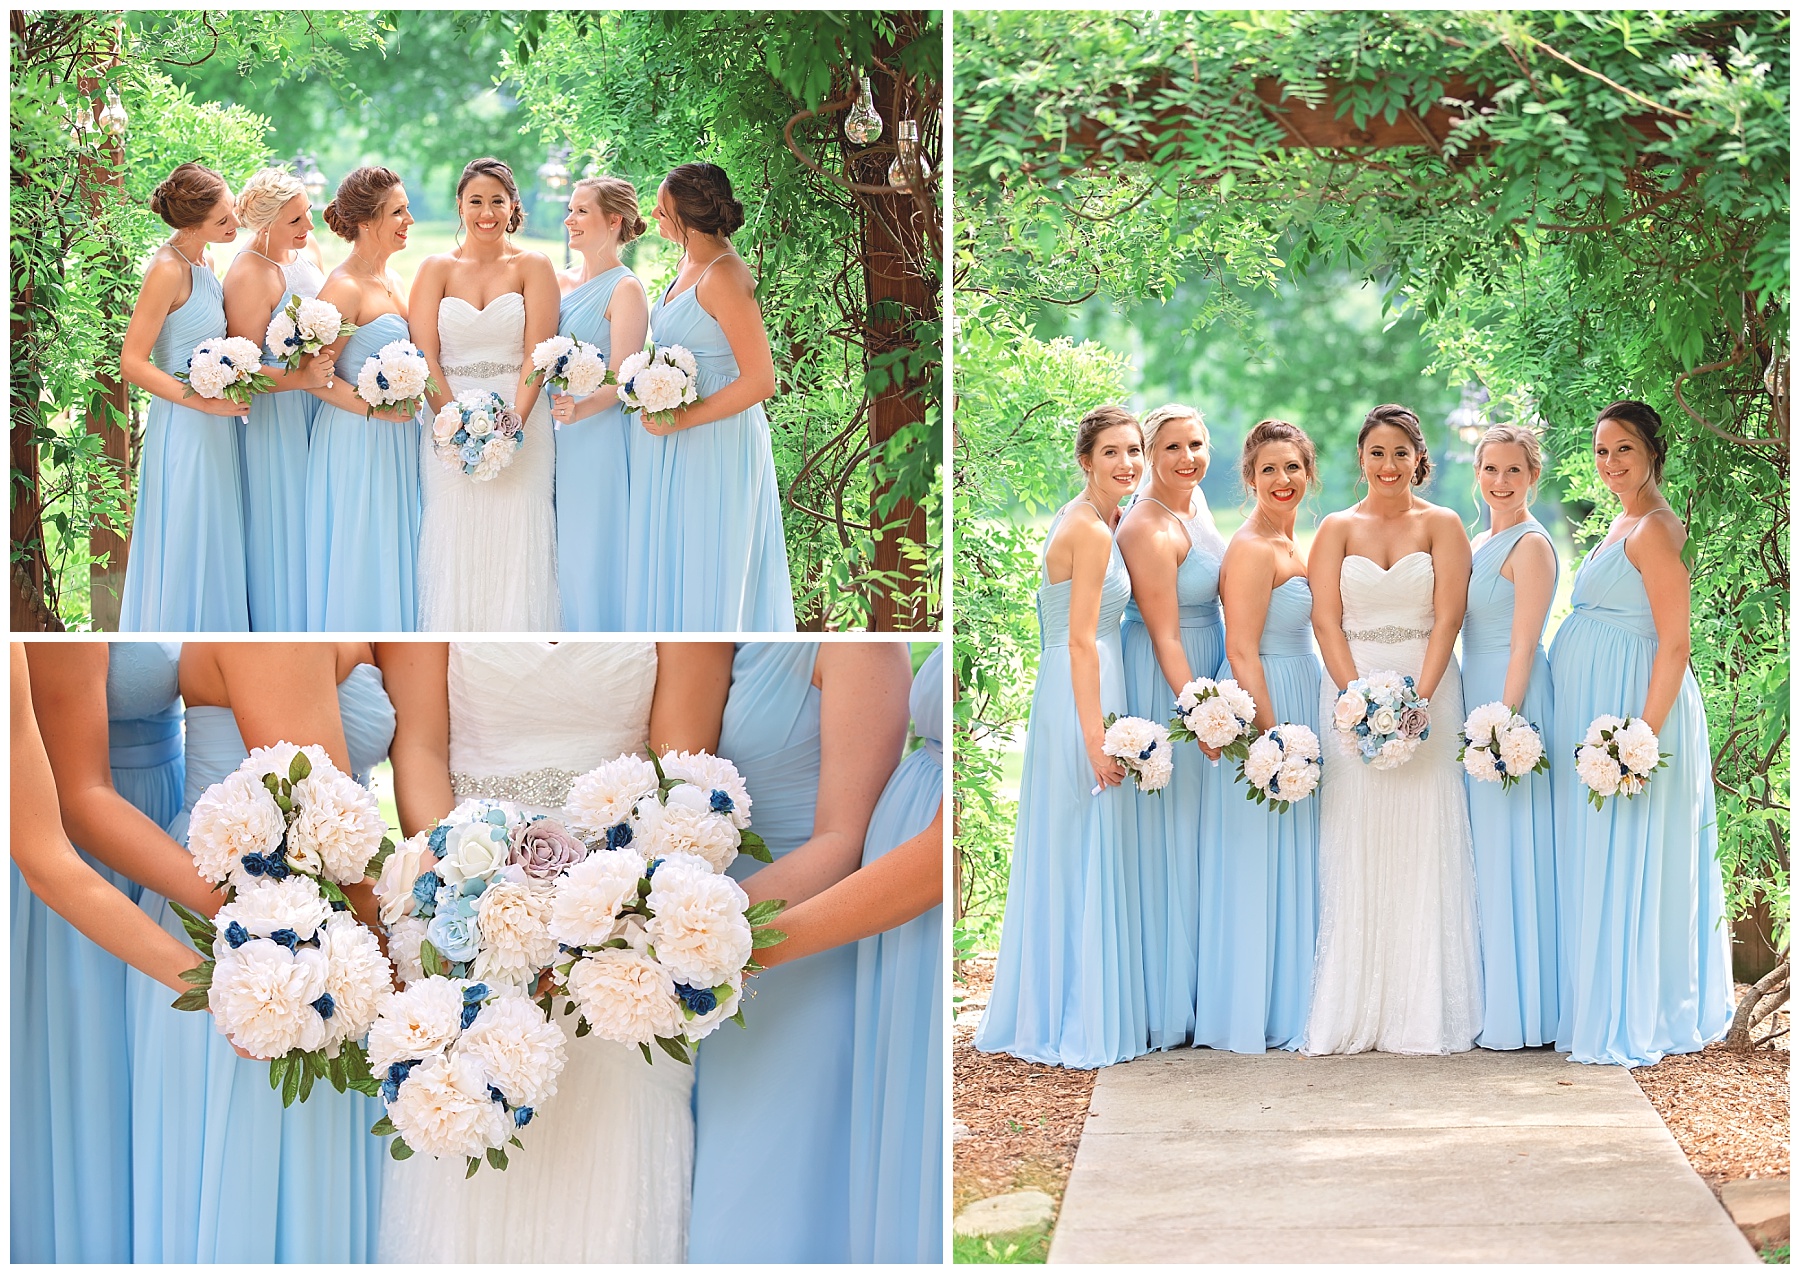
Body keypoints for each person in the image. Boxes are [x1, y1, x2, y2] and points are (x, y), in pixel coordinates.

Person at [377, 641, 733, 1262]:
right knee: (466, 1113)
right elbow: (420, 746)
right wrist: (453, 888)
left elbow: (675, 780)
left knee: (611, 1153)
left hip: (617, 933)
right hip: (470, 916)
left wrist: (607, 917)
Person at [125, 642, 395, 1261]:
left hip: (326, 929)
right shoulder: (276, 641)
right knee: (256, 1193)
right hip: (255, 934)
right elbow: (323, 844)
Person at [689, 641, 912, 1262]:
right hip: (701, 973)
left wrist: (692, 928)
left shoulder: (851, 645)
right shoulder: (715, 647)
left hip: (793, 953)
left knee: (759, 1214)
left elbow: (846, 838)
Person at [10, 642, 209, 1261]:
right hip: (77, 866)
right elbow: (51, 852)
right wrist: (213, 982)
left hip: (162, 835)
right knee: (86, 1110)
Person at [1548, 401, 1732, 1066]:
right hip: (1605, 707)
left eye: (1623, 449)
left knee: (1630, 855)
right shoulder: (1621, 519)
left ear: (1653, 449)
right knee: (1603, 855)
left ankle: (1637, 1012)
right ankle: (1602, 1000)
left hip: (1636, 711)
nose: (1610, 463)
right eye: (1601, 451)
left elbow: (1675, 644)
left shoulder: (1654, 528)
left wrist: (1639, 741)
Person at [1303, 403, 1482, 1055]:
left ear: (1418, 460)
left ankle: (1422, 1006)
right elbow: (1325, 620)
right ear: (1360, 458)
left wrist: (1419, 701)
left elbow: (1449, 617)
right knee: (1356, 835)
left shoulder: (1443, 525)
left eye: (1400, 453)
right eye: (1376, 453)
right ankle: (1356, 1004)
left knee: (1424, 835)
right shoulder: (1334, 528)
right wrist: (1355, 698)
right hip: (1350, 688)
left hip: (1427, 683)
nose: (1388, 465)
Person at [976, 405, 1150, 1068]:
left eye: (1134, 450)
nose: (1127, 463)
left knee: (1076, 842)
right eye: (1112, 452)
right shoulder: (1092, 530)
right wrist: (1095, 736)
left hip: (1077, 680)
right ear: (1086, 461)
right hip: (1083, 686)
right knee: (1083, 838)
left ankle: (1064, 1001)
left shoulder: (1090, 518)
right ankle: (1074, 1015)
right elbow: (1079, 639)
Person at [625, 162, 795, 631]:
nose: (654, 211)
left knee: (709, 552)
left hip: (716, 437)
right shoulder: (687, 262)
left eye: (664, 206)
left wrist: (684, 418)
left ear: (690, 213)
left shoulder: (723, 275)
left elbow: (761, 380)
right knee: (681, 549)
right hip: (683, 434)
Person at [1200, 420, 1324, 1053]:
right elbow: (1240, 649)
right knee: (1261, 856)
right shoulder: (1251, 548)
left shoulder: (1294, 541)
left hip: (1303, 688)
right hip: (1267, 702)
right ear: (1249, 477)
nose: (1283, 480)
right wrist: (1274, 736)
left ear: (1309, 474)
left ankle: (1300, 996)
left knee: (1297, 855)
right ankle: (1256, 1007)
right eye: (1269, 469)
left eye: (1293, 468)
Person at [412, 157, 561, 630]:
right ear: (460, 205)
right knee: (454, 533)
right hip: (446, 421)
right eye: (476, 201)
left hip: (523, 417)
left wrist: (510, 426)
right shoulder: (434, 268)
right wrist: (452, 424)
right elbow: (424, 358)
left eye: (497, 201)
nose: (486, 212)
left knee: (519, 535)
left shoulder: (533, 266)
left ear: (513, 206)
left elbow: (538, 356)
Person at [1116, 404, 1225, 1051]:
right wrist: (1201, 713)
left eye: (1197, 444)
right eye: (1173, 447)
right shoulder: (1149, 528)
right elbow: (1162, 633)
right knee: (1171, 835)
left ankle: (1199, 987)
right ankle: (1166, 1001)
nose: (1188, 458)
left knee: (1196, 837)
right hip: (1168, 677)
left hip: (1201, 663)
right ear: (1150, 454)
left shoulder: (1192, 509)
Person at [118, 163, 252, 631]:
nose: (235, 225)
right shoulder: (165, 270)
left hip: (218, 421)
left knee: (215, 535)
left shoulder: (205, 261)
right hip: (187, 423)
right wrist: (200, 402)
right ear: (191, 224)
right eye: (223, 221)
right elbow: (132, 362)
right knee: (188, 534)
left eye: (232, 211)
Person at [1462, 425, 1560, 1049]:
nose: (1500, 482)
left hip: (1512, 699)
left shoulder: (1531, 546)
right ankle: (1493, 994)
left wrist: (1505, 723)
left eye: (1513, 472)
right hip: (1477, 692)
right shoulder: (1480, 540)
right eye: (1491, 470)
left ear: (1533, 477)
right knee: (1486, 851)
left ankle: (1527, 1012)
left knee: (1515, 847)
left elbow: (1524, 641)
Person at [304, 166, 425, 630]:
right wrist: (376, 409)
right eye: (398, 211)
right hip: (357, 438)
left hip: (397, 437)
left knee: (396, 543)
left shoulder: (393, 279)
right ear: (367, 221)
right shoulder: (343, 288)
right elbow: (314, 376)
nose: (409, 220)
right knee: (363, 545)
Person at [222, 166, 334, 631]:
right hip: (279, 418)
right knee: (287, 528)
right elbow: (242, 372)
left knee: (322, 521)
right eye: (296, 221)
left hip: (321, 406)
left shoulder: (309, 253)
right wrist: (301, 379)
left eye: (307, 214)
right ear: (265, 226)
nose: (309, 227)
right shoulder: (249, 274)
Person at [550, 176, 650, 630]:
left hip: (595, 435)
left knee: (587, 547)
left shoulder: (625, 290)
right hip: (548, 433)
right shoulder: (558, 280)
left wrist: (579, 409)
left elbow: (623, 377)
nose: (569, 219)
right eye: (570, 210)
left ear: (614, 221)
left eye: (581, 211)